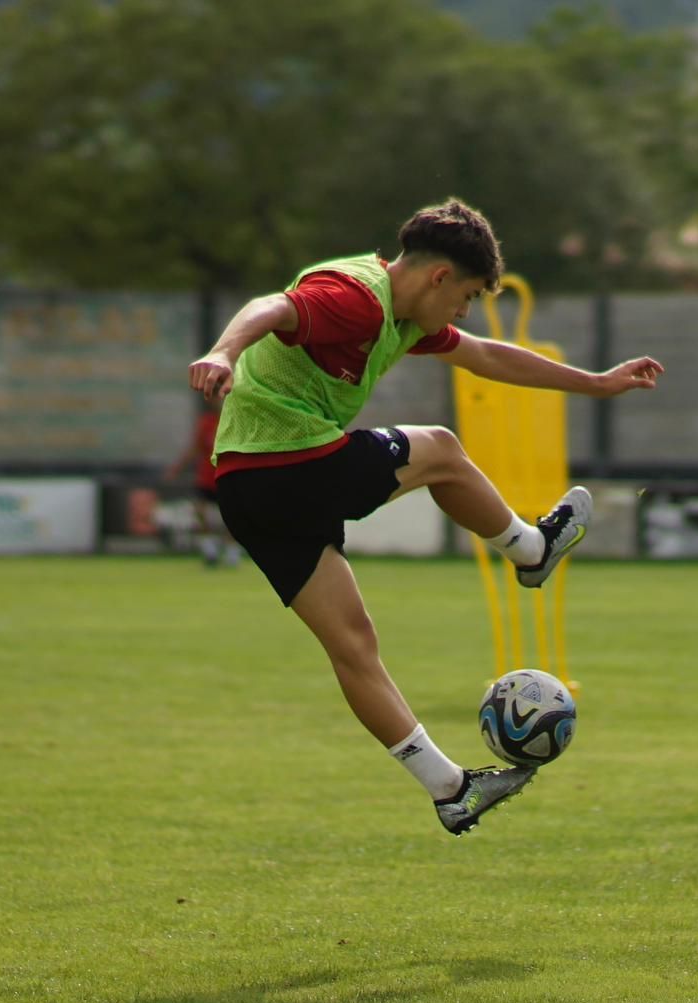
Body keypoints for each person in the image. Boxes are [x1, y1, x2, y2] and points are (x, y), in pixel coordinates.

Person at [186, 198, 663, 836]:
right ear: (439, 277)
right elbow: (273, 307)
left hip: (249, 490)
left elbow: (489, 357)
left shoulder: (410, 319)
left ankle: (450, 789)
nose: (463, 312)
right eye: (465, 296)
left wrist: (596, 382)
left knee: (355, 647)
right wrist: (222, 351)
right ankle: (529, 549)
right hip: (285, 464)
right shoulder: (357, 295)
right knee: (439, 447)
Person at [162, 393, 241, 567]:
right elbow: (195, 448)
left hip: (227, 476)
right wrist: (176, 469)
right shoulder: (207, 422)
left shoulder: (236, 420)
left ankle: (231, 552)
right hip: (206, 477)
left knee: (231, 516)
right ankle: (210, 549)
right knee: (200, 511)